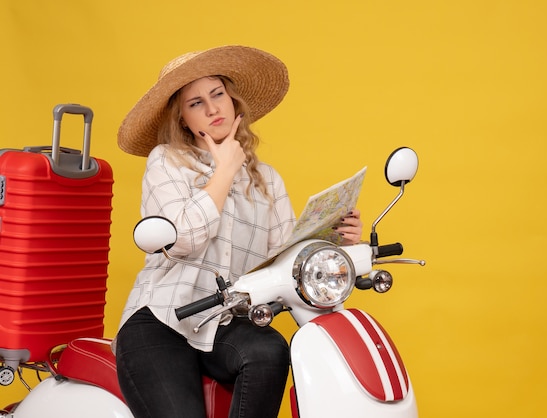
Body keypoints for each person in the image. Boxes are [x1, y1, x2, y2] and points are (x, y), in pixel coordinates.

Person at [114, 45, 363, 418]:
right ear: (182, 118)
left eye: (217, 95)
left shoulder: (267, 179)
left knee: (270, 350)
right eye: (196, 102)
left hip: (226, 321)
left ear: (233, 101)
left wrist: (333, 239)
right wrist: (225, 170)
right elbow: (181, 241)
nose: (213, 108)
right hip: (161, 322)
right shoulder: (166, 161)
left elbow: (282, 258)